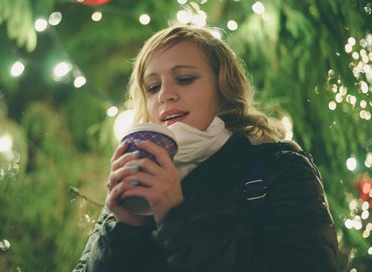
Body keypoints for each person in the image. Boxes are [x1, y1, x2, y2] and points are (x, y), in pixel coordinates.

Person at [73, 25, 339, 272]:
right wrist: (125, 227)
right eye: (153, 87)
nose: (165, 94)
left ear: (224, 87)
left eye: (185, 79)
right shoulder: (139, 180)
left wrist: (175, 215)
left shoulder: (279, 168)